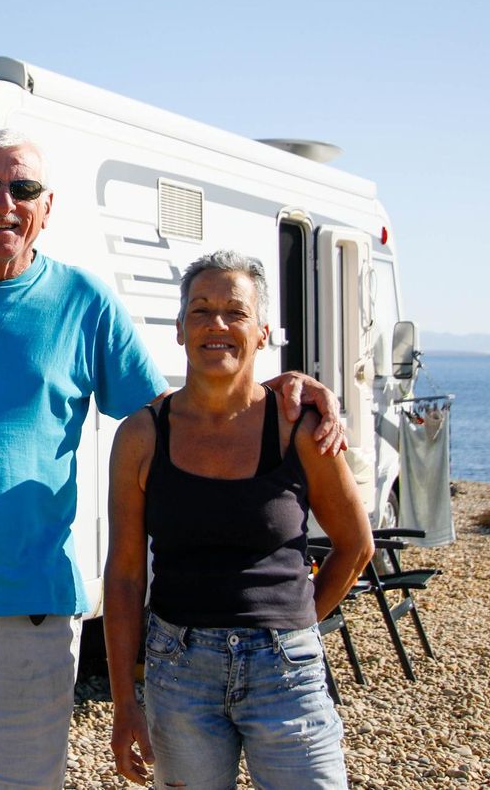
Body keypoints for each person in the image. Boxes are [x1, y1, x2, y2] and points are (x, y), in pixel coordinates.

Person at [0, 130, 345, 789]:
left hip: (28, 607)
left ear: (47, 207)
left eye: (23, 188)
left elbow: (179, 413)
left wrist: (285, 388)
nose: (4, 202)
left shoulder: (83, 302)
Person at [104, 250, 374, 790]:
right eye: (201, 311)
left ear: (262, 332)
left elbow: (355, 546)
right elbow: (126, 575)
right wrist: (124, 703)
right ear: (180, 330)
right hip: (180, 672)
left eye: (235, 312)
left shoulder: (300, 428)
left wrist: (295, 624)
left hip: (286, 673)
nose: (217, 325)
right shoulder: (142, 435)